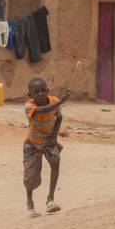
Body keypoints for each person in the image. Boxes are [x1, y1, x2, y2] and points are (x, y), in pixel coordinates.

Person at [24, 78, 69, 218]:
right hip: (32, 143)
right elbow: (43, 110)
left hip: (49, 139)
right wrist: (60, 102)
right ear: (30, 95)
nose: (41, 94)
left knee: (55, 162)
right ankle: (30, 202)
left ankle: (50, 199)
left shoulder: (54, 100)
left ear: (48, 91)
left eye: (43, 90)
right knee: (32, 176)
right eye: (36, 92)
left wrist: (54, 137)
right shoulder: (29, 106)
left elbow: (59, 116)